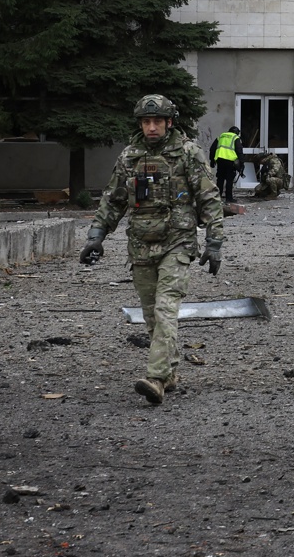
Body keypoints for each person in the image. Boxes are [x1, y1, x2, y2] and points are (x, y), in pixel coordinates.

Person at [79, 94, 224, 405]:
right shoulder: (130, 157)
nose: (152, 127)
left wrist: (214, 241)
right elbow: (113, 199)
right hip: (141, 244)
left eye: (158, 121)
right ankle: (170, 372)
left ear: (169, 122)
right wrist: (96, 235)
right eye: (146, 122)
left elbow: (209, 198)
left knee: (165, 307)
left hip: (178, 241)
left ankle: (156, 377)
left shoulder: (188, 154)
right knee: (151, 315)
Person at [209, 125, 244, 204]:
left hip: (220, 160)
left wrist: (212, 160)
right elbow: (239, 151)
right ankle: (229, 198)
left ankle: (218, 197)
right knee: (229, 180)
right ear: (237, 133)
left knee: (220, 179)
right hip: (230, 161)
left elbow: (212, 148)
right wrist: (242, 163)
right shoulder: (235, 138)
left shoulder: (221, 136)